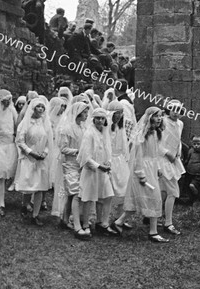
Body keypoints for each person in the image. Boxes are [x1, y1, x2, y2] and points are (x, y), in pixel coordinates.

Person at [113, 107, 169, 243]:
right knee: (153, 197)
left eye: (161, 116)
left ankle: (119, 222)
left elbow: (155, 154)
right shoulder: (142, 136)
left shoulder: (156, 133)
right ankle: (153, 231)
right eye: (156, 116)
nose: (159, 118)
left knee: (142, 200)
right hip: (142, 169)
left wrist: (158, 168)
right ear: (149, 118)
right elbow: (138, 157)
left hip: (152, 168)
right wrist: (141, 174)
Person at [52, 102, 90, 239]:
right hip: (70, 163)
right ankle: (77, 226)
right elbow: (63, 148)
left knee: (71, 193)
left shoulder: (84, 128)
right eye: (85, 112)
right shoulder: (66, 129)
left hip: (82, 164)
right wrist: (78, 151)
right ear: (78, 113)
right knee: (75, 193)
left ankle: (64, 219)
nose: (87, 115)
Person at [77, 108, 117, 237]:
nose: (100, 121)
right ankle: (85, 224)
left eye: (102, 118)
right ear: (93, 119)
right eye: (98, 118)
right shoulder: (89, 134)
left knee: (107, 195)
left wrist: (108, 162)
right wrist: (98, 166)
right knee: (88, 198)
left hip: (103, 171)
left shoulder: (105, 132)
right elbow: (85, 156)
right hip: (91, 171)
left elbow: (108, 149)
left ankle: (102, 222)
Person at [14, 97, 53, 226]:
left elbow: (49, 141)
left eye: (42, 107)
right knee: (29, 185)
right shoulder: (25, 123)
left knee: (40, 188)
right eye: (38, 107)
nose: (40, 109)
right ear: (33, 108)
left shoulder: (45, 123)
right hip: (29, 158)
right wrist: (31, 152)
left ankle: (35, 215)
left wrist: (45, 153)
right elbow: (20, 141)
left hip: (41, 158)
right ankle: (24, 205)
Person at [158, 100, 185, 234]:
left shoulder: (180, 124)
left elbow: (178, 140)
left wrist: (178, 152)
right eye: (173, 109)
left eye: (178, 110)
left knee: (164, 190)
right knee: (172, 191)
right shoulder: (162, 122)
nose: (176, 113)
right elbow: (157, 141)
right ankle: (168, 222)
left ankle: (156, 216)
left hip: (174, 159)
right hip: (162, 158)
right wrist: (167, 153)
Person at [185, 135, 200, 202]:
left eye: (198, 144)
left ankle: (198, 197)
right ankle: (191, 199)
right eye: (194, 144)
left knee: (192, 185)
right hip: (189, 172)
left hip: (198, 174)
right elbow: (187, 159)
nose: (196, 146)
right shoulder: (191, 151)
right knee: (187, 186)